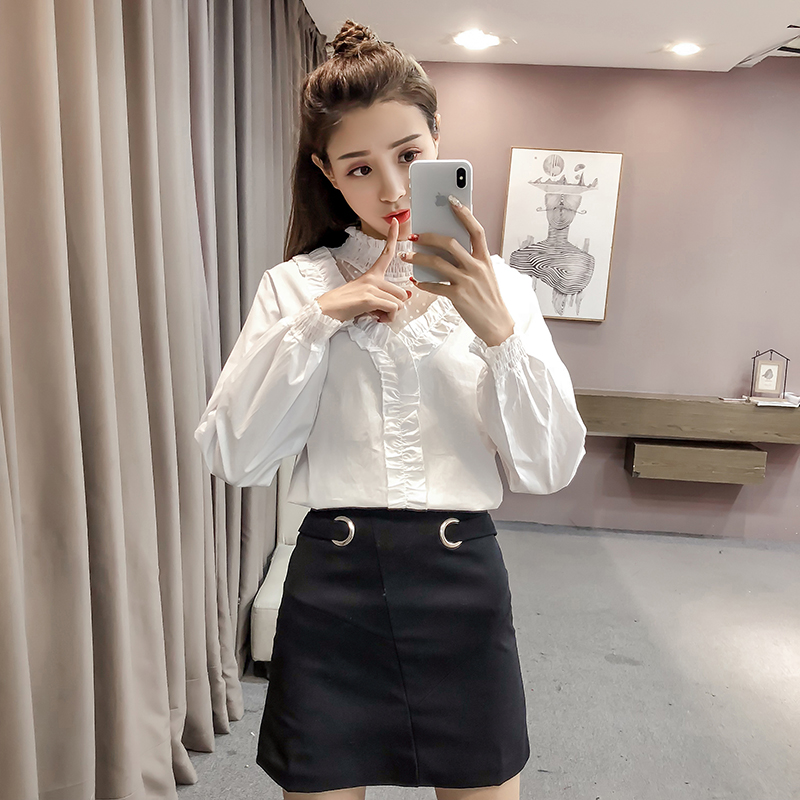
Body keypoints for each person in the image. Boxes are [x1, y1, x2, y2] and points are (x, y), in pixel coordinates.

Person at [194, 19, 587, 800]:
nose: (394, 190)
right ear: (326, 173)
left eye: (409, 155)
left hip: (461, 583)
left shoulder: (505, 290)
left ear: (438, 140)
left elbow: (549, 467)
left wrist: (499, 335)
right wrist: (321, 320)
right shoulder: (296, 289)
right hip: (332, 588)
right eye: (360, 167)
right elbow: (233, 454)